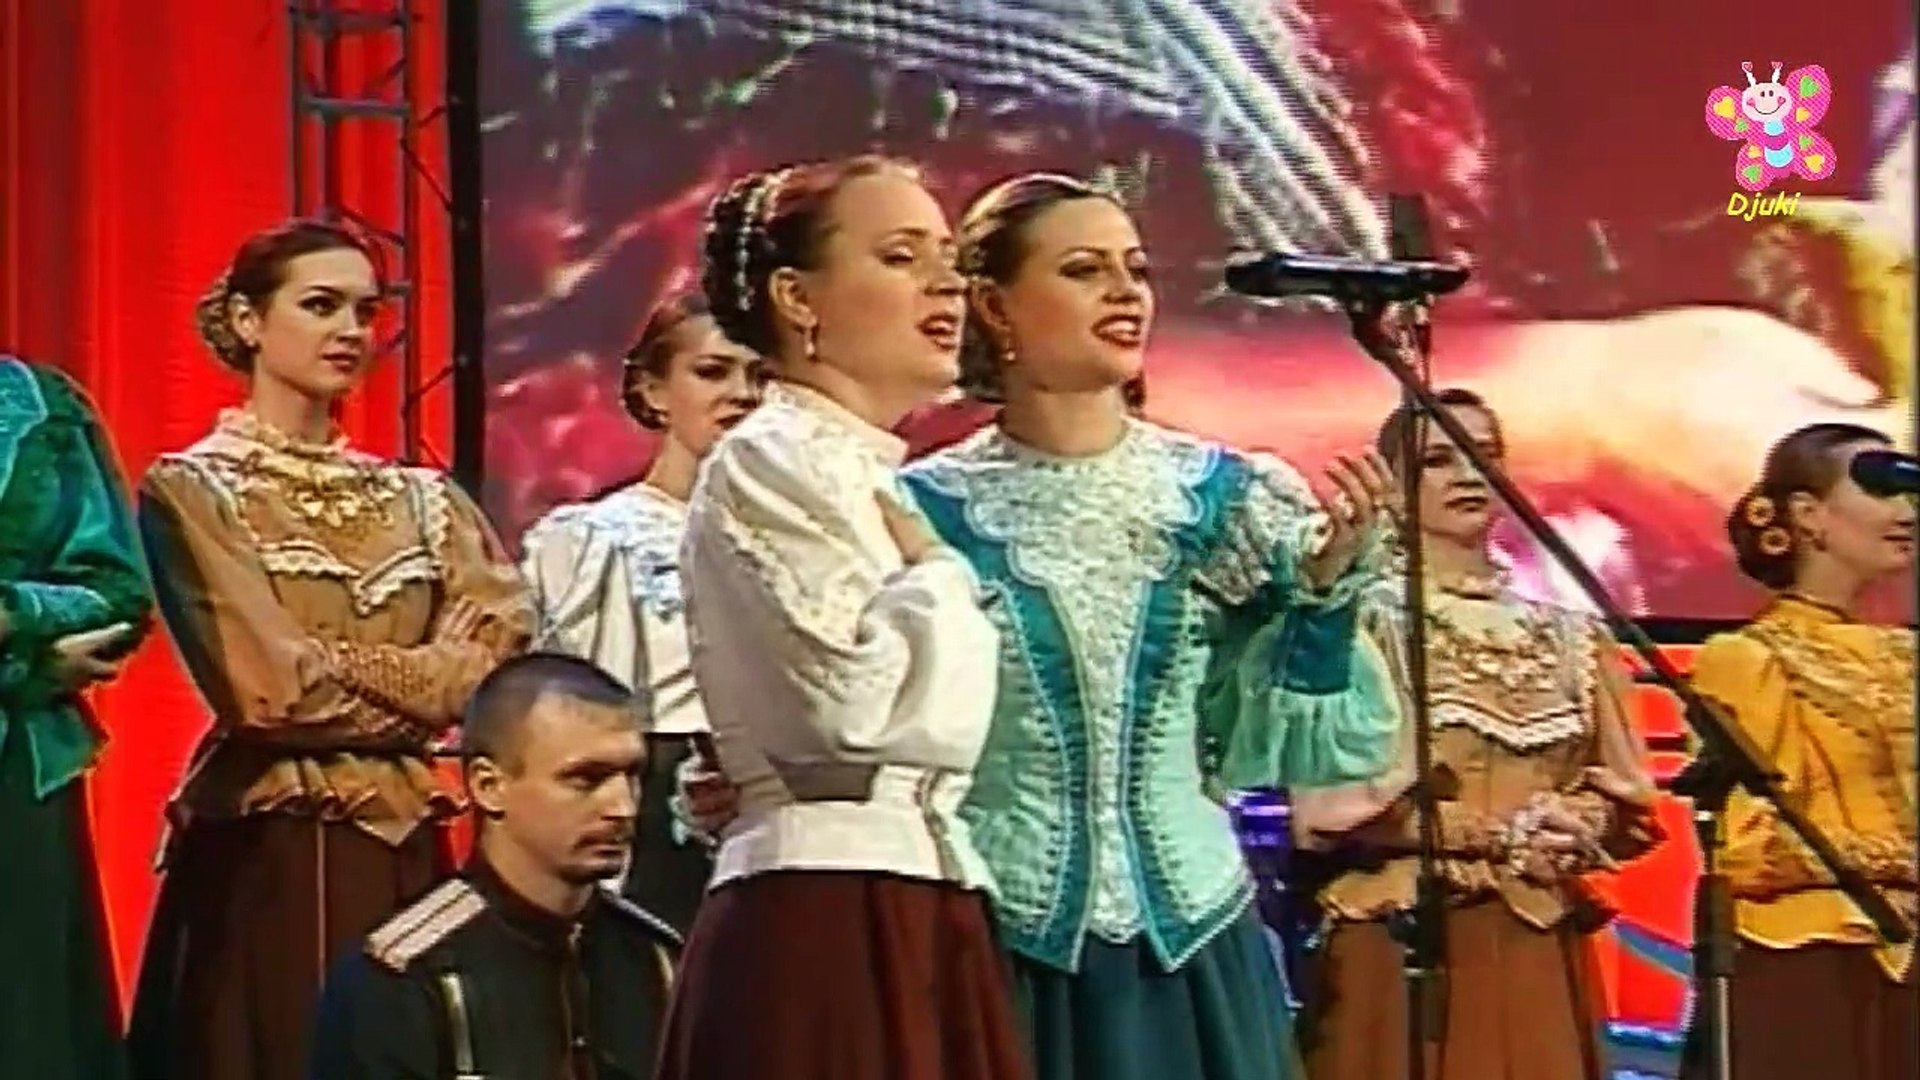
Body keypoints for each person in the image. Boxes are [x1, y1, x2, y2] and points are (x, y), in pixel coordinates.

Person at [882, 171, 1398, 1080]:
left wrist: (1321, 596)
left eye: (1137, 269)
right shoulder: (922, 509)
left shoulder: (1225, 498)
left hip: (1191, 946)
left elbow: (1291, 741)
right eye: (1085, 270)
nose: (1125, 293)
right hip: (997, 940)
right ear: (992, 306)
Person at [127, 219, 535, 1080]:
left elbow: (499, 662)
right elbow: (269, 693)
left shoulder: (424, 498)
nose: (351, 330)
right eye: (321, 306)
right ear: (248, 320)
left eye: (365, 311)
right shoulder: (193, 489)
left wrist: (334, 659)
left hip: (406, 841)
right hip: (270, 849)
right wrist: (428, 678)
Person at [653, 157, 1030, 1080]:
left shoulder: (863, 471)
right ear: (797, 296)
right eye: (900, 257)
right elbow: (851, 715)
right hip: (827, 908)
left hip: (916, 892)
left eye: (946, 257)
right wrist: (938, 585)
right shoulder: (771, 459)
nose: (945, 284)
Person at [1288, 387, 1663, 1080]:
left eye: (1483, 456)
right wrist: (1498, 835)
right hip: (1409, 929)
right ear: (1393, 485)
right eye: (1438, 460)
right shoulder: (1362, 623)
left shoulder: (1572, 636)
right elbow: (1329, 810)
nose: (1467, 474)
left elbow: (1623, 798)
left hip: (1538, 932)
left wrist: (1576, 819)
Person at [310, 652, 681, 1080]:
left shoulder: (659, 963)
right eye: (585, 779)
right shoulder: (401, 982)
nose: (623, 807)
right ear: (488, 786)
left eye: (632, 775)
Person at [520, 292, 765, 934]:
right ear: (654, 392)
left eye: (761, 375)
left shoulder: (806, 540)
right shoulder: (597, 541)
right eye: (712, 372)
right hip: (658, 823)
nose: (742, 394)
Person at [1683, 422, 1918, 1080]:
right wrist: (1897, 859)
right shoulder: (1747, 658)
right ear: (1809, 514)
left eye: (1909, 493)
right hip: (1808, 957)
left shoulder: (1906, 655)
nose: (1906, 511)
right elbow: (1747, 847)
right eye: (1879, 489)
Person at [0, 354, 153, 1080]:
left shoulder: (35, 407)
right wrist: (27, 659)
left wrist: (13, 615)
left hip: (12, 780)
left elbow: (116, 597)